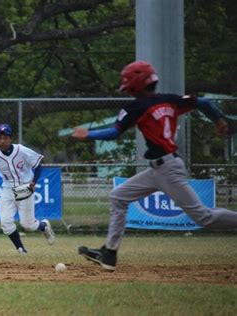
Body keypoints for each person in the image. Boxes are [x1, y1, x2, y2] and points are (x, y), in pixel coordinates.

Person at [73, 61, 237, 271]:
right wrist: (219, 119)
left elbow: (115, 132)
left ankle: (109, 253)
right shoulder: (170, 99)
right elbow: (202, 102)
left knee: (204, 217)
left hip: (167, 169)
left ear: (135, 84)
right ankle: (109, 254)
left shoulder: (137, 106)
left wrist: (88, 134)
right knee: (118, 196)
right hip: (158, 168)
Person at [0, 123, 55, 254]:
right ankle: (21, 249)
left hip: (25, 187)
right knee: (5, 223)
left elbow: (38, 164)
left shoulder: (21, 150)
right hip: (8, 189)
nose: (2, 140)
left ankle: (44, 226)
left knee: (28, 225)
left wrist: (34, 181)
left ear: (10, 138)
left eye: (5, 137)